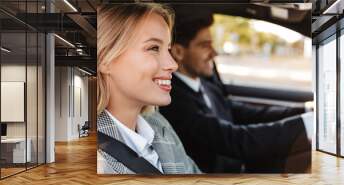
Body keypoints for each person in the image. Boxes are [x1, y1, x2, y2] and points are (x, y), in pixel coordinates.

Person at [160, 11, 312, 173]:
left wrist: (304, 110)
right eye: (205, 45)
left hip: (240, 166)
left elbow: (244, 112)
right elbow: (233, 140)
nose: (214, 53)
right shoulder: (173, 101)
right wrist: (305, 124)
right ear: (178, 52)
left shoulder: (205, 84)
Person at [97, 3, 201, 174]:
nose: (173, 64)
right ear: (105, 61)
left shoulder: (158, 124)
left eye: (168, 49)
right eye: (153, 48)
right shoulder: (96, 162)